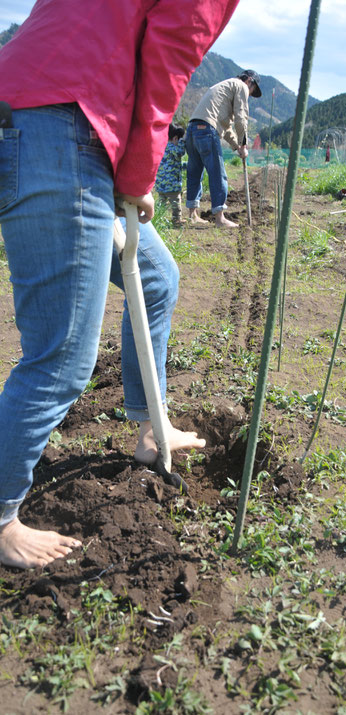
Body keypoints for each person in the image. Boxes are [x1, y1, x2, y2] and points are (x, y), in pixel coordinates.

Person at [0, 0, 240, 570]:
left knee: (155, 278)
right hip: (59, 130)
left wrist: (126, 170)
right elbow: (165, 69)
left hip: (42, 114)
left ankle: (151, 430)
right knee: (59, 358)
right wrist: (135, 177)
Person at [185, 70, 262, 228]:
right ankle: (220, 218)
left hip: (192, 130)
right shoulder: (240, 86)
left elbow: (226, 129)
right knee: (217, 174)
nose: (249, 95)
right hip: (207, 130)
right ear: (249, 81)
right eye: (252, 91)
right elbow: (241, 117)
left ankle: (192, 215)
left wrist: (237, 147)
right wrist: (244, 144)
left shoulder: (223, 88)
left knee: (194, 172)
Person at [155, 124, 186, 227]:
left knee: (161, 203)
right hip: (171, 184)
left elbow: (171, 163)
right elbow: (180, 153)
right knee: (175, 202)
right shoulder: (173, 147)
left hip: (161, 183)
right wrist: (182, 142)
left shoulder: (161, 146)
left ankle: (158, 218)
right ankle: (176, 220)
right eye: (178, 140)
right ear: (175, 138)